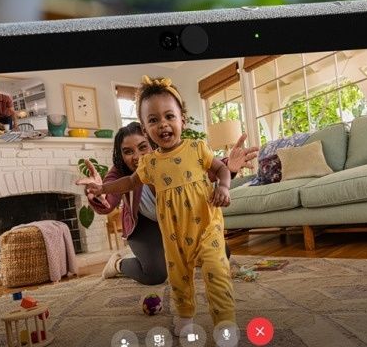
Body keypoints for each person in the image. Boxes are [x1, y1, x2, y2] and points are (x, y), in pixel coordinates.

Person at [78, 76, 239, 347]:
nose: (162, 124)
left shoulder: (197, 148)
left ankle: (225, 328)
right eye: (153, 120)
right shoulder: (149, 163)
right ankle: (185, 317)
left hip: (207, 227)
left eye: (169, 116)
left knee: (217, 271)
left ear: (182, 120)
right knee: (178, 278)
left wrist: (224, 185)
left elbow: (221, 168)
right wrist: (101, 187)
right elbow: (128, 183)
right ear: (146, 128)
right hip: (172, 234)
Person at [84, 122, 257, 285]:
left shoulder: (170, 157)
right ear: (121, 155)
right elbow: (109, 199)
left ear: (152, 143)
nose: (136, 156)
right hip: (145, 226)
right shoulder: (120, 172)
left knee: (222, 253)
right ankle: (118, 263)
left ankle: (177, 255)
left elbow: (203, 171)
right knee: (155, 274)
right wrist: (99, 192)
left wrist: (229, 166)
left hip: (177, 222)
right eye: (128, 151)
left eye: (142, 147)